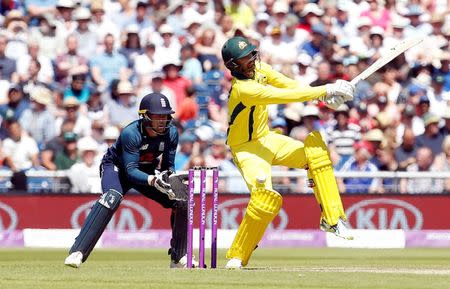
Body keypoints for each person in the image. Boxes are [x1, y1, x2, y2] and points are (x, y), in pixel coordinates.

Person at [221, 36, 355, 269]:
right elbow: (284, 96)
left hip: (266, 138)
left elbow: (290, 85)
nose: (252, 60)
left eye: (252, 54)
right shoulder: (244, 90)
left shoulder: (260, 69)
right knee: (264, 199)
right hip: (246, 149)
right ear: (233, 65)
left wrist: (325, 97)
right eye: (245, 58)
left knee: (316, 153)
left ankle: (332, 219)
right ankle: (237, 255)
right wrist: (326, 89)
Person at [64, 92, 196, 269]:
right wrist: (152, 180)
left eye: (166, 116)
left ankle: (179, 256)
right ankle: (77, 251)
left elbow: (168, 166)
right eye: (158, 116)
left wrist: (170, 178)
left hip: (147, 170)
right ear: (145, 116)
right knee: (112, 197)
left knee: (181, 199)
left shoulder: (172, 132)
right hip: (117, 168)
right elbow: (131, 171)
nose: (163, 120)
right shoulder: (131, 133)